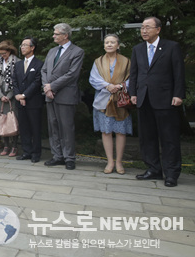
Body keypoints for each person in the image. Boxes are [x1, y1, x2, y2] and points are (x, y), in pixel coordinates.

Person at [129, 17, 185, 187]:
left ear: (158, 29)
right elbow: (134, 73)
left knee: (169, 137)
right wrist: (133, 93)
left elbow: (178, 73)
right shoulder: (138, 49)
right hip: (144, 98)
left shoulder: (171, 47)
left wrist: (179, 94)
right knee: (147, 137)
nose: (144, 31)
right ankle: (153, 168)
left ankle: (171, 173)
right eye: (142, 28)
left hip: (166, 99)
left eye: (148, 27)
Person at [41, 23, 85, 170]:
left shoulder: (77, 52)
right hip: (50, 95)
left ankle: (69, 157)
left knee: (66, 127)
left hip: (65, 95)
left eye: (56, 34)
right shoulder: (52, 51)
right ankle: (57, 156)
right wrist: (47, 87)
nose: (53, 36)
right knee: (52, 126)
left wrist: (52, 86)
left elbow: (72, 74)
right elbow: (44, 70)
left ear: (65, 36)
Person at [89, 34, 132, 175]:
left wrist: (119, 86)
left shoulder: (126, 61)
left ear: (118, 45)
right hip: (104, 99)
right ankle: (110, 162)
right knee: (106, 131)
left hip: (120, 99)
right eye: (106, 42)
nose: (109, 44)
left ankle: (119, 162)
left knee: (120, 131)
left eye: (112, 42)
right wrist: (108, 86)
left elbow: (133, 78)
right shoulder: (98, 61)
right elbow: (93, 79)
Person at [12, 37, 44, 163]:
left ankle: (36, 153)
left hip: (33, 101)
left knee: (35, 128)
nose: (22, 47)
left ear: (32, 47)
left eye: (25, 45)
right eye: (21, 45)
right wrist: (18, 95)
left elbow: (37, 83)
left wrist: (24, 95)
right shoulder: (18, 64)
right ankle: (26, 151)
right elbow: (14, 81)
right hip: (20, 101)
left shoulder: (39, 64)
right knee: (24, 127)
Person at [0, 40, 21, 157]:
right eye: (0, 53)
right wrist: (0, 95)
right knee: (2, 120)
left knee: (12, 120)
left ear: (9, 51)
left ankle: (14, 146)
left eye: (4, 53)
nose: (2, 56)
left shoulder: (17, 62)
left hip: (12, 95)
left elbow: (17, 82)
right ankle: (5, 145)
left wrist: (9, 96)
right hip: (1, 93)